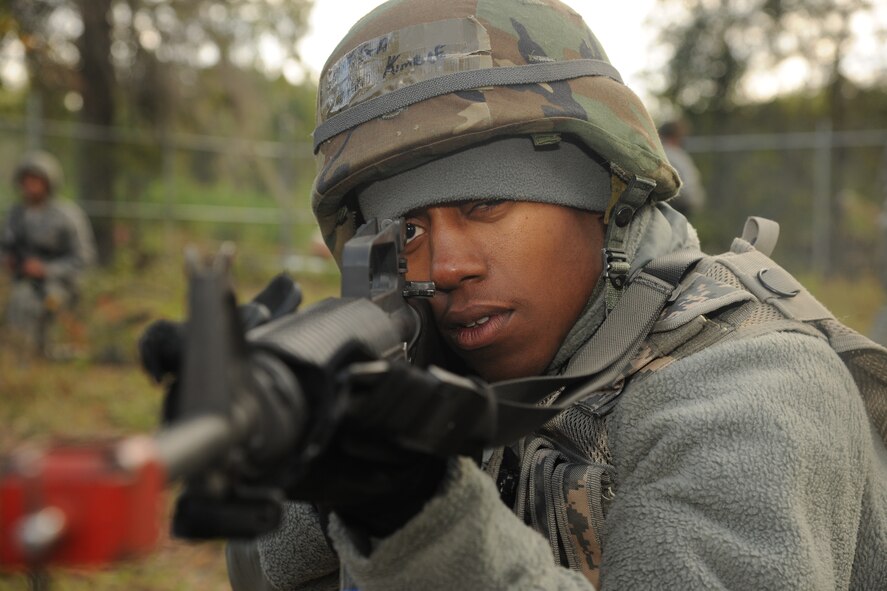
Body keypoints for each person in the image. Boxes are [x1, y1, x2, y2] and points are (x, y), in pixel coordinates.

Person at [226, 1, 887, 589]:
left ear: (607, 194)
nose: (447, 264)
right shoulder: (440, 356)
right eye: (408, 232)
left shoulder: (752, 387)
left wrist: (417, 516)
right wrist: (306, 457)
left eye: (483, 202)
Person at [1, 150, 96, 355]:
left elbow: (84, 257)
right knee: (18, 298)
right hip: (20, 281)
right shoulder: (16, 215)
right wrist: (9, 261)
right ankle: (18, 351)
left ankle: (44, 351)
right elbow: (6, 247)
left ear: (49, 182)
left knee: (35, 303)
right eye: (27, 180)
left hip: (59, 285)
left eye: (36, 180)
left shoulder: (67, 216)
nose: (30, 186)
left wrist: (46, 269)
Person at [658, 119, 706, 217]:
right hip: (676, 206)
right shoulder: (673, 154)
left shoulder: (667, 153)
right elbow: (689, 187)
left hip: (676, 206)